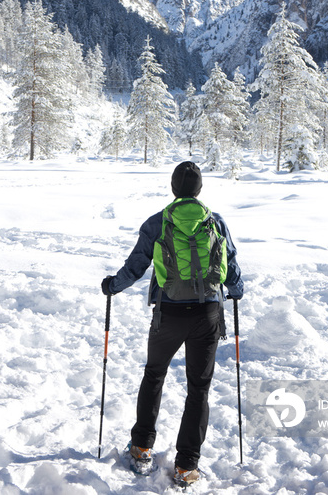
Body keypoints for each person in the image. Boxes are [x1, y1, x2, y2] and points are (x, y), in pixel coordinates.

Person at [101, 161, 244, 487]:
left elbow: (135, 266)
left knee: (154, 375)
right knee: (199, 388)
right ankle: (185, 467)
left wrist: (112, 286)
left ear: (173, 188)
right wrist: (236, 291)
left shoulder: (159, 221)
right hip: (208, 314)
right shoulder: (215, 221)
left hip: (169, 314)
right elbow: (232, 266)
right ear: (199, 189)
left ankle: (140, 449)